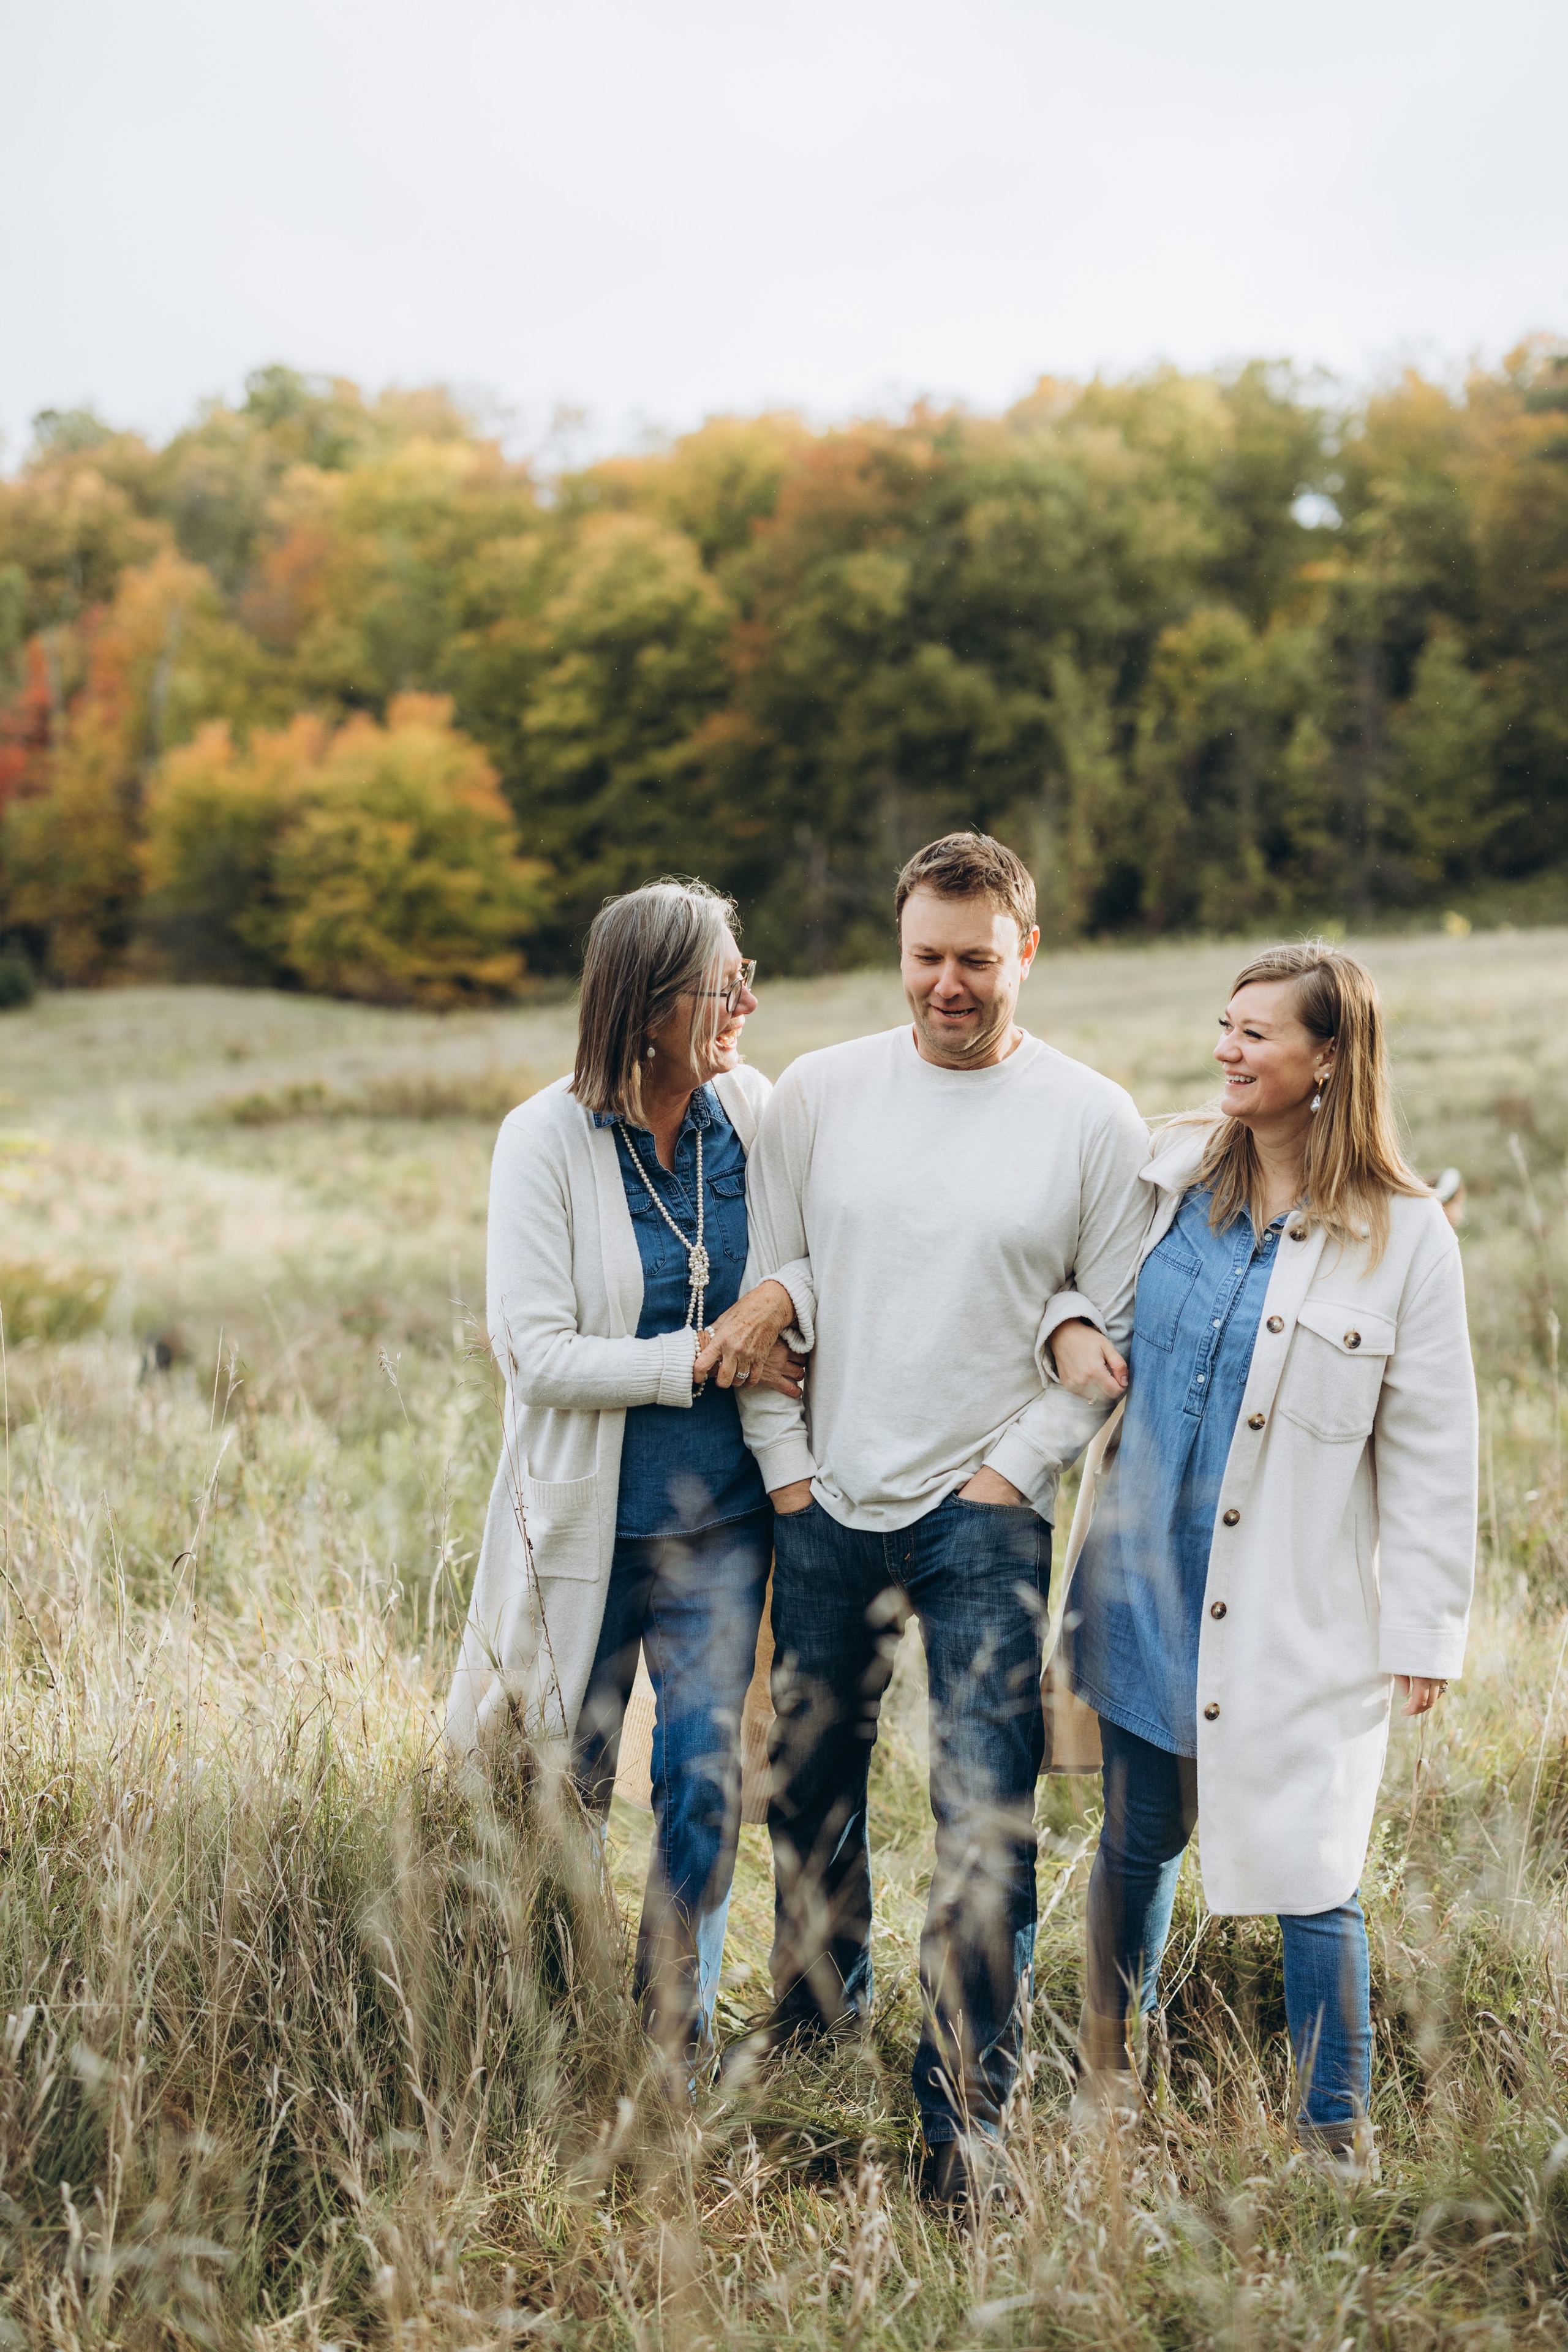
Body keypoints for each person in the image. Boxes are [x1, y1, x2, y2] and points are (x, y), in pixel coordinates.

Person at [736, 832, 1151, 2204]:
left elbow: (1109, 1328)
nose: (948, 985)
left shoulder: (1091, 1118)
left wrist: (1010, 1472)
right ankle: (816, 2018)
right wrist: (789, 1474)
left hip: (984, 1519)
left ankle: (965, 2116)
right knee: (808, 1790)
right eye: (926, 957)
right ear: (899, 947)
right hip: (827, 1502)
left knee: (983, 1816)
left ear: (1025, 950)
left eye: (977, 959)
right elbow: (771, 1285)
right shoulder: (818, 1092)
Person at [1058, 941, 1477, 2174]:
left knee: (1313, 1871)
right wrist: (1068, 1325)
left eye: (1255, 1033)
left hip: (1295, 1608)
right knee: (1137, 1838)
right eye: (1223, 1025)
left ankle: (1332, 2137)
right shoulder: (1165, 1172)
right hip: (1146, 1581)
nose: (1225, 1051)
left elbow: (1434, 1449)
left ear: (1328, 1058)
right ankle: (1105, 2088)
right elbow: (1068, 1284)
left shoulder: (1405, 1238)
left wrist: (1421, 1631)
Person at [446, 880, 810, 2065]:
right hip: (586, 1528)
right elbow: (534, 1353)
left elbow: (806, 1257)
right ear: (648, 1008)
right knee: (564, 1783)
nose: (745, 1004)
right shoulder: (543, 1139)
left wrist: (775, 1302)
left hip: (723, 1521)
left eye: (744, 979)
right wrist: (703, 1356)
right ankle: (547, 2029)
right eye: (722, 987)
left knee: (706, 1781)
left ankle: (671, 2042)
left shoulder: (750, 1110)